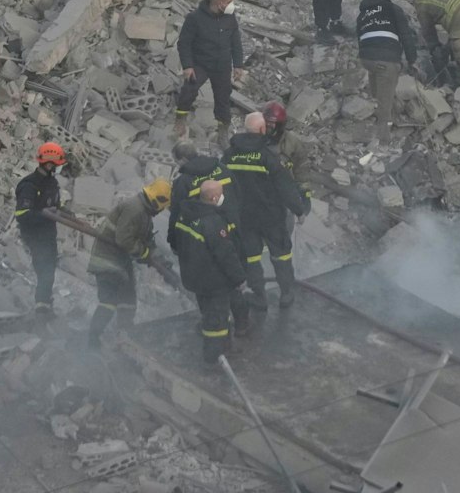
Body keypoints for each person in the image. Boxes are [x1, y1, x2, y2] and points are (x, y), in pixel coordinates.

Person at [225, 111, 309, 311]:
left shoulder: (229, 155)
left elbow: (223, 186)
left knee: (251, 258)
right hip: (271, 217)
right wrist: (299, 210)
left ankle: (259, 297)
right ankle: (286, 294)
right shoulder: (267, 156)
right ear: (262, 130)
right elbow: (285, 186)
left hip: (244, 218)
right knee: (281, 255)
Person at [169, 174, 250, 361]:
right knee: (217, 322)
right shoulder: (212, 222)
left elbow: (176, 242)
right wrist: (239, 278)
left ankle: (226, 347)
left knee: (211, 313)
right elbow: (226, 254)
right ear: (213, 198)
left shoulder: (185, 215)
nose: (223, 198)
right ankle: (213, 359)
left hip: (193, 276)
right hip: (213, 281)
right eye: (221, 195)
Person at [87, 179, 173, 349]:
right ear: (158, 201)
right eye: (164, 206)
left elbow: (147, 240)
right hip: (107, 261)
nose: (163, 210)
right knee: (108, 302)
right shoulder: (134, 209)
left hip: (120, 263)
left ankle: (125, 337)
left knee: (128, 301)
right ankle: (92, 341)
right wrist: (145, 254)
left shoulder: (144, 213)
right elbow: (123, 239)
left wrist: (160, 260)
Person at [176, 0, 246, 144]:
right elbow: (184, 44)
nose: (232, 4)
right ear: (219, 3)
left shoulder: (230, 17)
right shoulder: (194, 18)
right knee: (189, 90)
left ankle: (223, 132)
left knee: (223, 99)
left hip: (222, 65)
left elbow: (236, 42)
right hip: (200, 63)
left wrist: (238, 65)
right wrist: (188, 66)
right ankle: (180, 119)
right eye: (228, 1)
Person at [356, 0, 419, 140]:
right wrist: (413, 60)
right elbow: (405, 34)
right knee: (385, 101)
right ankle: (383, 140)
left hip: (366, 60)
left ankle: (373, 119)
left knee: (377, 93)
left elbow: (360, 40)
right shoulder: (392, 8)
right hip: (386, 59)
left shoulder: (362, 15)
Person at [14, 143, 67, 314]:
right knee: (45, 272)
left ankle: (45, 306)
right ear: (49, 164)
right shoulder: (29, 185)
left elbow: (56, 205)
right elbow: (22, 215)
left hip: (48, 235)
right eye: (58, 165)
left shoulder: (52, 183)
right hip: (35, 236)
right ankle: (41, 312)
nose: (59, 168)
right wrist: (43, 214)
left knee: (49, 271)